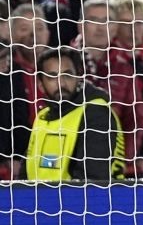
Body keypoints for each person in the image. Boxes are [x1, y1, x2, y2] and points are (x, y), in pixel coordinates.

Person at [25, 47, 125, 181]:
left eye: (67, 75)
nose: (61, 83)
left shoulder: (96, 112)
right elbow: (26, 170)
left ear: (78, 78)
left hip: (86, 200)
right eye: (52, 77)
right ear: (40, 85)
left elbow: (93, 179)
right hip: (40, 200)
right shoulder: (43, 116)